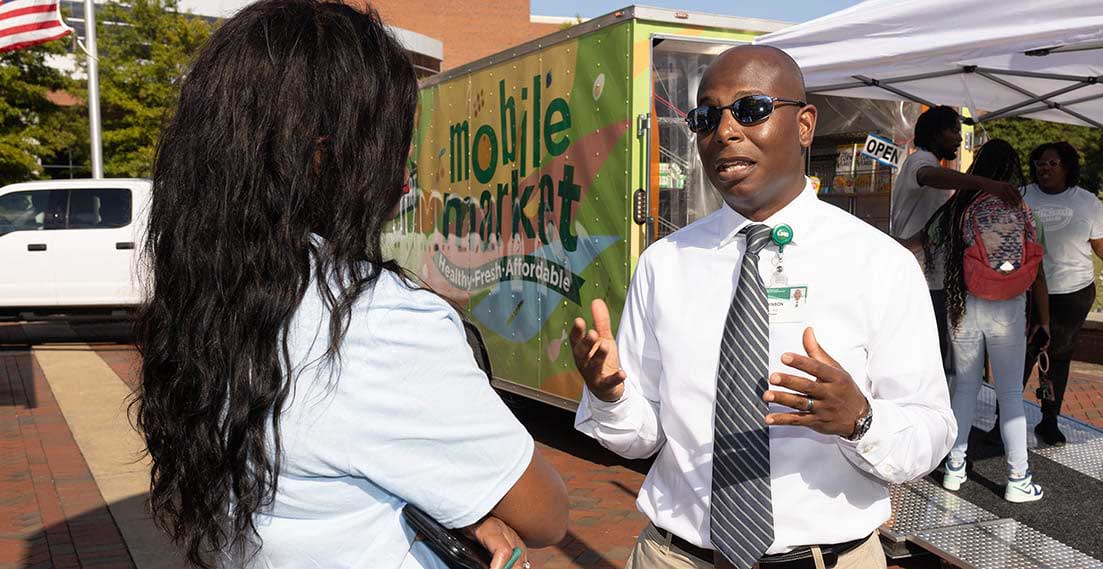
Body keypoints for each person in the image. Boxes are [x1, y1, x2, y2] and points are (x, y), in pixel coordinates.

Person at [133, 2, 568, 568]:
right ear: (322, 153)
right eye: (393, 138)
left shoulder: (209, 293)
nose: (408, 165)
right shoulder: (375, 320)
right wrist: (469, 505)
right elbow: (547, 513)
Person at [570, 45, 954, 569]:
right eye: (706, 118)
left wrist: (860, 420)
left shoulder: (880, 264)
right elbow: (643, 437)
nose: (724, 131)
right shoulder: (664, 264)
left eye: (750, 110)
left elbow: (932, 430)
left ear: (804, 124)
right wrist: (611, 396)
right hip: (675, 556)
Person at [930, 140, 1050, 502]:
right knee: (1011, 393)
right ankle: (1018, 479)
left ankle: (954, 467)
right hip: (1008, 307)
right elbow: (1038, 265)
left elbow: (931, 240)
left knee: (965, 386)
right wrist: (1042, 320)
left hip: (964, 304)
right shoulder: (1023, 207)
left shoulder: (960, 207)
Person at [1016, 141, 1103, 445]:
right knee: (1022, 355)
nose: (1044, 168)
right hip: (1027, 292)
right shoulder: (1021, 196)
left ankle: (1049, 419)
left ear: (1067, 167)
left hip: (1072, 293)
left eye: (1052, 163)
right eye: (1040, 163)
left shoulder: (1087, 203)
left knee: (1058, 356)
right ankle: (1003, 419)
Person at [891, 106, 1021, 370]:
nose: (960, 139)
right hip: (919, 280)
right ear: (937, 134)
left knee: (937, 353)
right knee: (927, 355)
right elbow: (929, 176)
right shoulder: (920, 161)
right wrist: (986, 183)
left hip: (931, 279)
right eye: (954, 131)